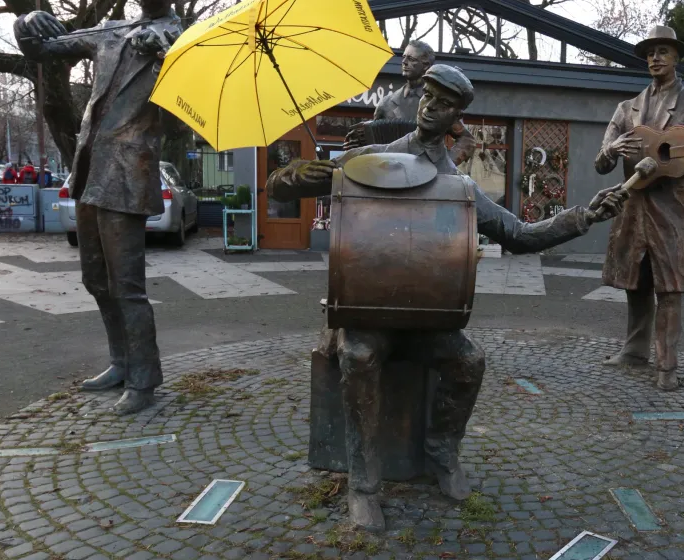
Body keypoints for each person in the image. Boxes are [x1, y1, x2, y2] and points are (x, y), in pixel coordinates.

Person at [268, 64, 628, 531]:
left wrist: (584, 217)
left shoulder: (459, 187)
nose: (428, 107)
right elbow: (279, 187)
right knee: (358, 354)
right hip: (368, 309)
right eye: (426, 96)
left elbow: (518, 234)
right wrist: (297, 174)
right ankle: (363, 485)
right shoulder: (371, 160)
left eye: (441, 102)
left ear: (458, 114)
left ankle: (442, 451)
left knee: (469, 361)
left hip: (426, 317)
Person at [14, 0, 182, 415]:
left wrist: (165, 55)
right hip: (90, 167)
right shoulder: (111, 31)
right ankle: (121, 363)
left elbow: (180, 119)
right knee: (96, 278)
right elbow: (42, 48)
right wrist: (26, 21)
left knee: (127, 285)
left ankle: (144, 379)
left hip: (128, 172)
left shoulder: (184, 40)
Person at [594, 25, 684, 391]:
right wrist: (610, 149)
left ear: (676, 58)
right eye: (651, 52)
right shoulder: (627, 109)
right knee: (634, 282)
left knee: (669, 289)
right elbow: (601, 163)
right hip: (634, 206)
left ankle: (667, 368)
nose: (655, 57)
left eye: (663, 51)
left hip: (674, 208)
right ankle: (635, 351)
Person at [344, 40, 476, 166]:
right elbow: (373, 135)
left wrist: (445, 163)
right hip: (389, 170)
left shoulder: (439, 105)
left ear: (426, 65)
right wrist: (358, 144)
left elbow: (467, 140)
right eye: (404, 57)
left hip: (425, 172)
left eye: (411, 59)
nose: (404, 62)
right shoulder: (387, 103)